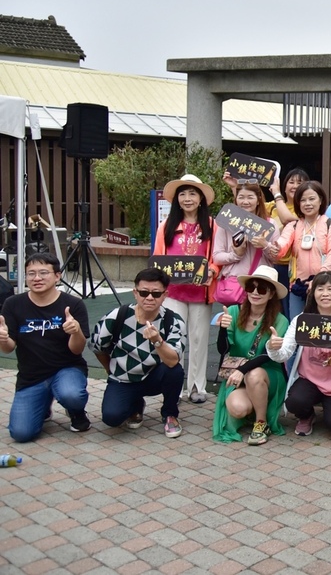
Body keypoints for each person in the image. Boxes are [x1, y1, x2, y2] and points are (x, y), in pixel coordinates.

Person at [1, 252, 90, 441]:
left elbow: (77, 349)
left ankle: (76, 412)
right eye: (31, 273)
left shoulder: (73, 304)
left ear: (57, 276)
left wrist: (75, 331)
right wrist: (2, 339)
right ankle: (43, 405)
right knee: (21, 434)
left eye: (43, 272)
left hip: (67, 369)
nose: (37, 278)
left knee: (71, 394)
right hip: (31, 376)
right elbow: (8, 348)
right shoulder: (13, 304)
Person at [91, 267, 186, 438]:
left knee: (175, 372)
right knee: (112, 418)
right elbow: (97, 347)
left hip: (154, 377)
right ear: (135, 293)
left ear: (165, 295)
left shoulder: (173, 321)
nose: (149, 297)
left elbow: (172, 361)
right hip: (123, 379)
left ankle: (170, 414)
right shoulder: (116, 316)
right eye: (144, 292)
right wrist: (111, 370)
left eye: (156, 294)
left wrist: (157, 341)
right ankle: (135, 405)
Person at [267, 271, 331, 436]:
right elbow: (284, 354)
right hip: (309, 380)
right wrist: (273, 347)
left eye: (330, 289)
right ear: (313, 293)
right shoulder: (302, 321)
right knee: (295, 402)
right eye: (320, 289)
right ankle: (306, 415)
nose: (325, 294)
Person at [154, 174, 220, 404]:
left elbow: (217, 257)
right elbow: (158, 258)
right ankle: (176, 386)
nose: (187, 198)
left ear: (201, 198)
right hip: (173, 292)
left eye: (192, 193)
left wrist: (211, 270)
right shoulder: (167, 226)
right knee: (175, 338)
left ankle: (196, 386)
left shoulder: (212, 225)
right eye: (182, 194)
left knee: (200, 339)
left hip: (201, 292)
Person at [213, 265, 290, 445]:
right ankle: (254, 407)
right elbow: (222, 349)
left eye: (262, 289)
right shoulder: (233, 312)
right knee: (238, 409)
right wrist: (223, 330)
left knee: (254, 375)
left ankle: (261, 423)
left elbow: (267, 355)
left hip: (267, 374)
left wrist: (243, 370)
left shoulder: (280, 320)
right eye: (250, 287)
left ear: (271, 294)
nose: (255, 292)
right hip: (238, 373)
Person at [266, 180, 331, 319]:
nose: (307, 203)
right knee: (297, 325)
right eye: (303, 200)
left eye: (312, 199)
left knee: (323, 325)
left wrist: (318, 280)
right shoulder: (293, 226)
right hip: (298, 286)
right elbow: (282, 244)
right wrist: (275, 248)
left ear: (320, 200)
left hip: (325, 286)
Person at [213, 180, 275, 307]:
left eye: (250, 197)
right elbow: (217, 257)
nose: (245, 202)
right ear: (236, 199)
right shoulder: (225, 224)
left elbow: (276, 257)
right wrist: (235, 254)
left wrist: (265, 245)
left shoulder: (270, 225)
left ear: (258, 200)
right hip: (235, 284)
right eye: (241, 197)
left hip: (261, 286)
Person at [268, 167, 309, 314]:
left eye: (300, 183)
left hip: (295, 270)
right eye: (291, 182)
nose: (295, 186)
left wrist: (276, 194)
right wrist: (235, 187)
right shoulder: (271, 206)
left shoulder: (306, 210)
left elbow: (287, 219)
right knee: (275, 310)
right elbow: (248, 209)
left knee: (291, 311)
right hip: (275, 265)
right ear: (285, 187)